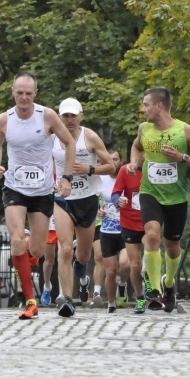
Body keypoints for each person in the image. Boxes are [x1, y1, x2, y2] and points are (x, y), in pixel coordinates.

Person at [0, 72, 75, 320]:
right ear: (13, 92)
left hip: (42, 191)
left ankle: (27, 255)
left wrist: (66, 178)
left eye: (28, 93)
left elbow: (69, 143)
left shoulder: (47, 116)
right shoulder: (4, 120)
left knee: (36, 250)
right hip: (14, 187)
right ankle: (30, 301)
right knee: (16, 240)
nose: (24, 97)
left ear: (35, 93)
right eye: (19, 93)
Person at [128, 87, 190, 313]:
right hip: (150, 192)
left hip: (175, 197)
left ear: (159, 106)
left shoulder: (185, 131)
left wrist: (181, 157)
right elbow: (136, 146)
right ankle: (153, 291)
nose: (143, 110)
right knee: (152, 235)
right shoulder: (144, 129)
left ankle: (169, 284)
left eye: (146, 105)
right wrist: (135, 163)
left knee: (172, 245)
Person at [51, 97, 115, 318]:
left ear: (81, 116)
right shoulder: (52, 139)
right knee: (65, 248)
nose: (69, 120)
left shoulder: (89, 137)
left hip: (87, 198)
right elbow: (43, 164)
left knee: (84, 256)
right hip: (62, 199)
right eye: (65, 115)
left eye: (73, 115)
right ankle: (65, 298)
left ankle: (81, 274)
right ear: (59, 117)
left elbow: (110, 165)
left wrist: (89, 169)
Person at [97, 149, 130, 313]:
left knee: (125, 263)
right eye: (110, 160)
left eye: (116, 159)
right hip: (107, 230)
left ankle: (122, 284)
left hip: (126, 228)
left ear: (121, 161)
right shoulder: (101, 179)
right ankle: (111, 303)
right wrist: (99, 212)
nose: (114, 162)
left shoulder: (127, 177)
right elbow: (94, 201)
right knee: (110, 271)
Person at [114, 157, 147, 313]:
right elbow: (115, 194)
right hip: (129, 221)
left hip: (150, 219)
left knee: (150, 255)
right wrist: (118, 200)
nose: (143, 156)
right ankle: (140, 298)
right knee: (135, 265)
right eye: (140, 152)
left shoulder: (155, 168)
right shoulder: (125, 170)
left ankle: (152, 287)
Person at [40, 214, 57, 307]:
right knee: (49, 261)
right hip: (51, 224)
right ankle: (47, 286)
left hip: (66, 220)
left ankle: (64, 294)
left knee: (65, 257)